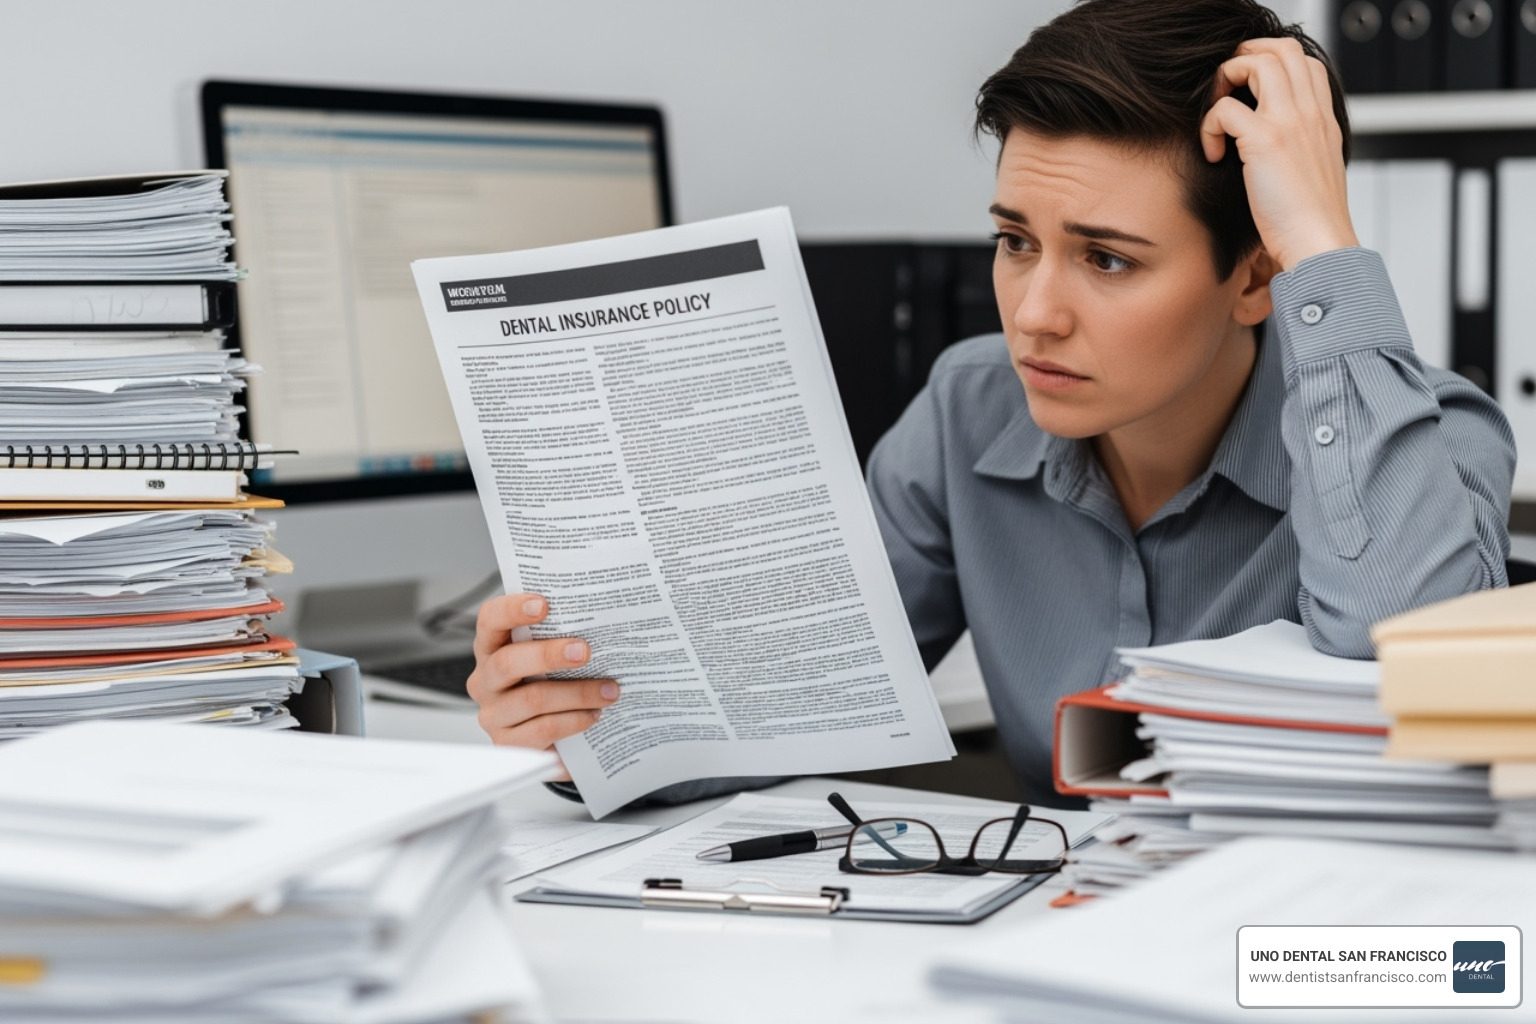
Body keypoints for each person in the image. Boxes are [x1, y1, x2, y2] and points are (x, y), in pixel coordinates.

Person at [466, 0, 1515, 804]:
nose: (1035, 315)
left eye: (1107, 258)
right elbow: (782, 712)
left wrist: (1322, 245)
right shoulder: (968, 411)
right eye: (1016, 241)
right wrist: (581, 728)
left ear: (1255, 277)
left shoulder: (1433, 437)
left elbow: (1418, 684)